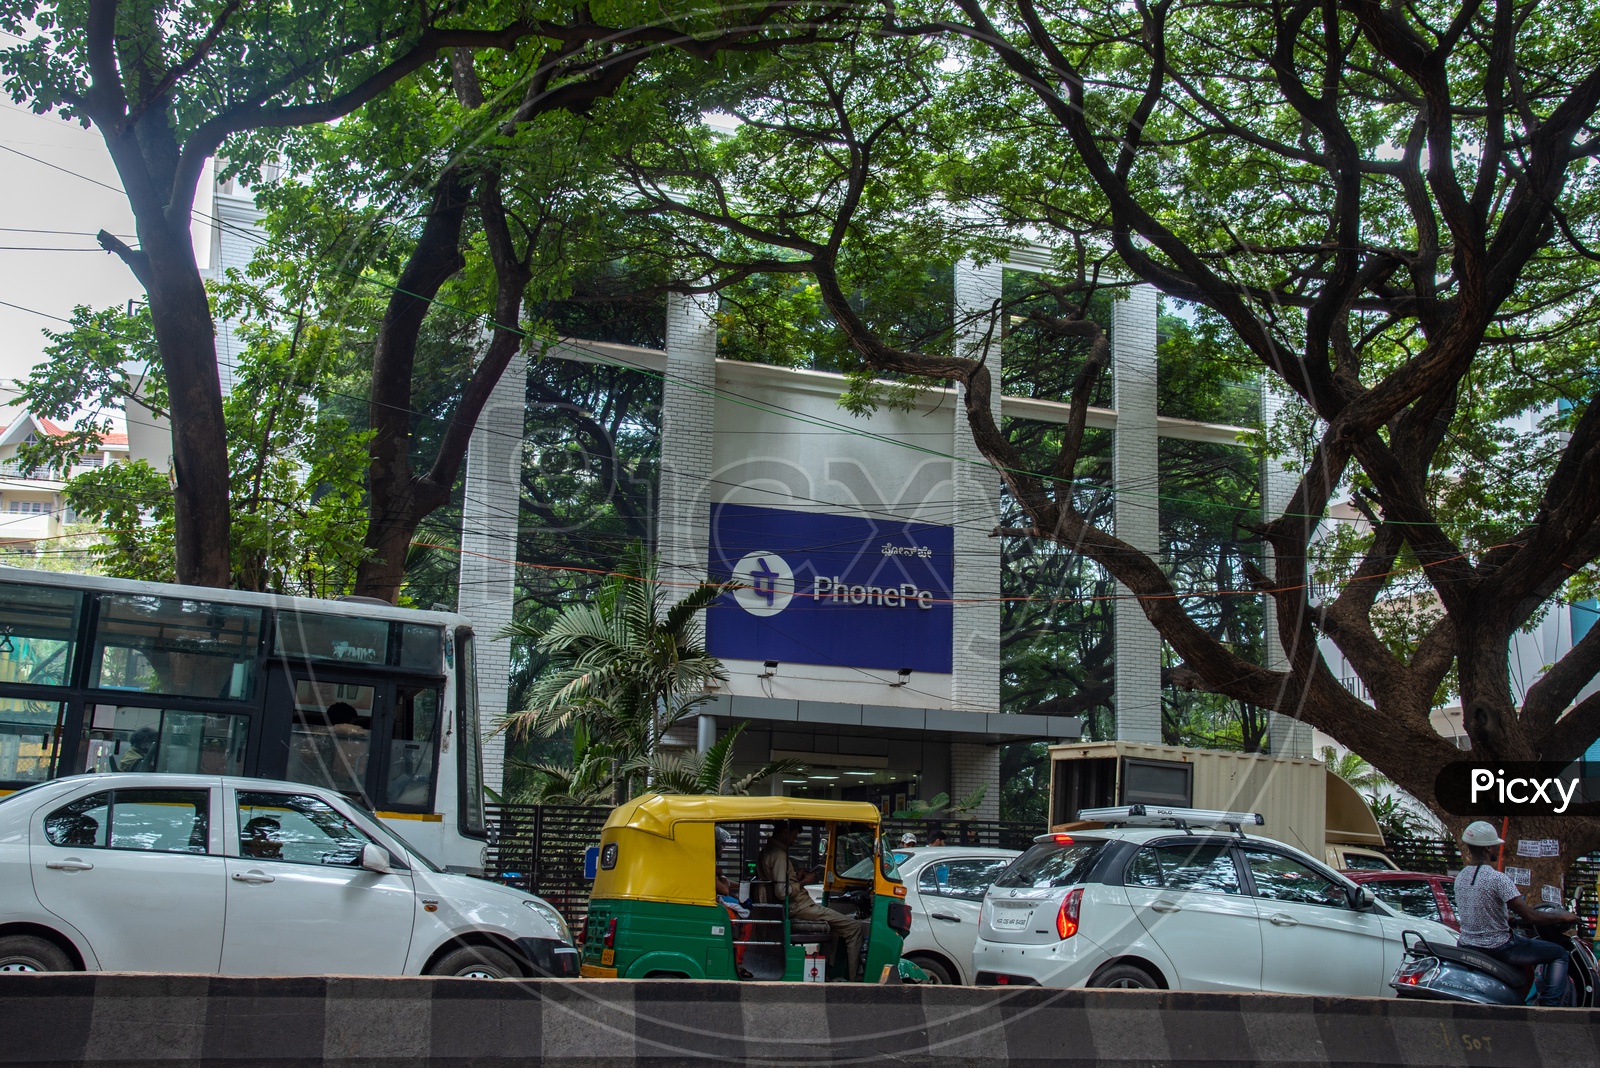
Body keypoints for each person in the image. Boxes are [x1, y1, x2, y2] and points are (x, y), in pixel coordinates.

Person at [1454, 820, 1580, 1006]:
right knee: (1559, 953)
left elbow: (1479, 910)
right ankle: (1550, 1007)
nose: (1498, 848)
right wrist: (1563, 916)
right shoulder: (1497, 879)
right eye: (1496, 845)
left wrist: (1506, 920)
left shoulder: (1461, 877)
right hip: (1499, 946)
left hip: (1467, 944)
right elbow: (1531, 916)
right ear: (1488, 848)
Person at [758, 821, 867, 981]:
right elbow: (782, 892)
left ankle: (827, 973)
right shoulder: (779, 855)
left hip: (793, 906)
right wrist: (804, 881)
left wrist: (796, 876)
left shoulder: (767, 852)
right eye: (794, 836)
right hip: (799, 907)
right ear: (784, 833)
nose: (794, 841)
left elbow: (782, 882)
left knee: (836, 927)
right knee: (854, 927)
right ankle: (853, 981)